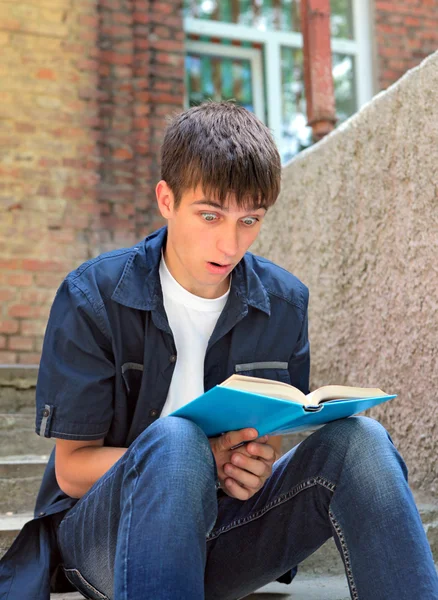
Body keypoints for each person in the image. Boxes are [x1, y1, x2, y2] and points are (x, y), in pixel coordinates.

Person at [1, 101, 437, 600]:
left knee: (363, 441)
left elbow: (270, 434)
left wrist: (254, 465)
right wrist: (203, 456)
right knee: (176, 442)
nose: (230, 244)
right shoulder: (93, 296)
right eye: (210, 215)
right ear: (166, 199)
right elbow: (72, 470)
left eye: (249, 221)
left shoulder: (284, 303)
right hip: (108, 540)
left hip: (226, 535)